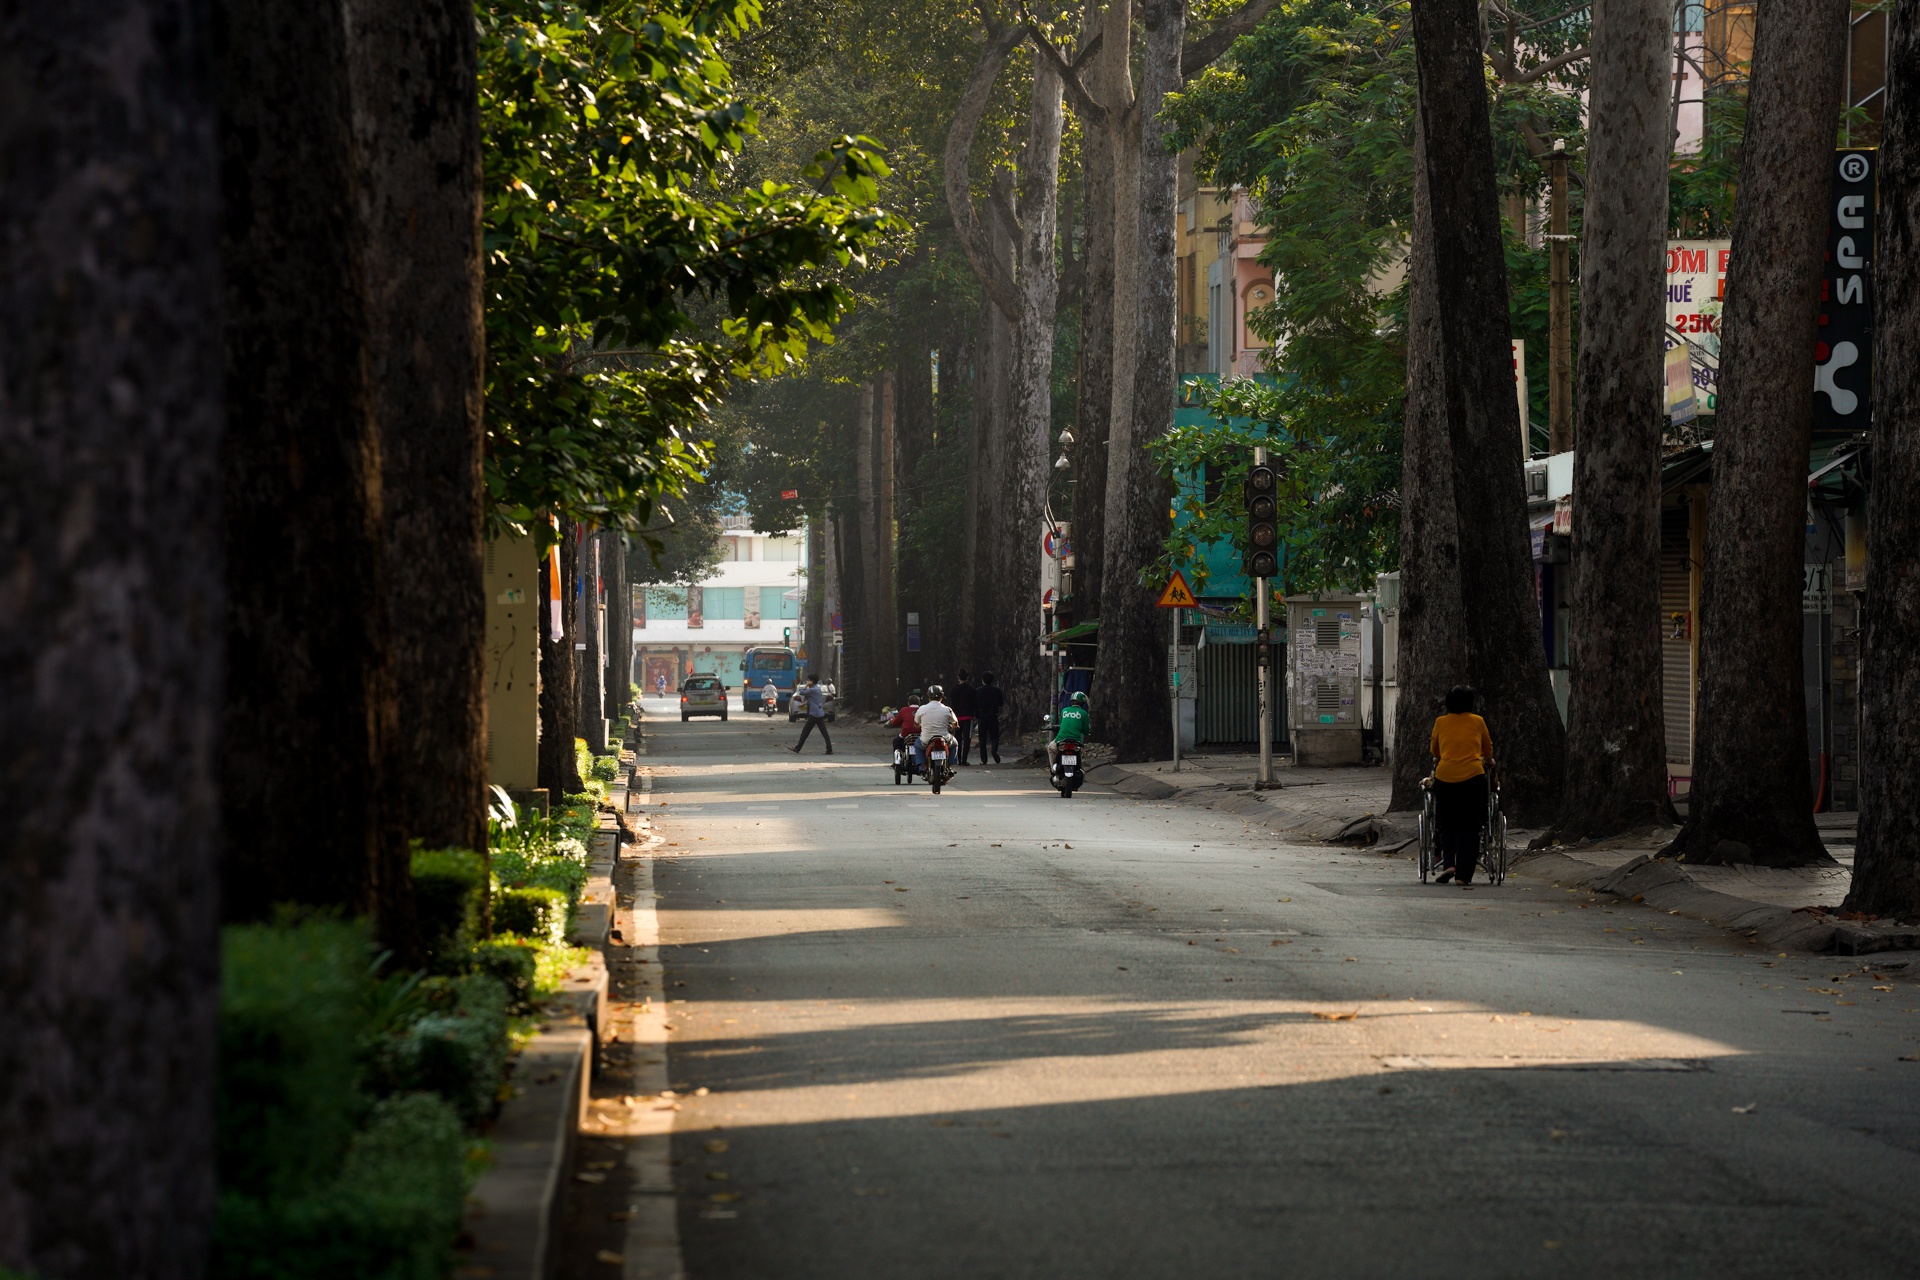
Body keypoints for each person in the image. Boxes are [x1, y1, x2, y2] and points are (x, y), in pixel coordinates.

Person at [1426, 684, 1494, 886]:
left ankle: (1449, 864)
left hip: (1445, 777)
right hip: (1473, 778)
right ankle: (1463, 876)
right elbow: (1487, 749)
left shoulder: (1440, 722)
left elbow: (1434, 750)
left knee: (1446, 824)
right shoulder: (1478, 721)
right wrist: (1487, 759)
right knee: (1470, 827)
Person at [788, 673, 834, 754]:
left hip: (814, 714)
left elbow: (801, 692)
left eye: (809, 680)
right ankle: (829, 749)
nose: (808, 681)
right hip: (819, 713)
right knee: (824, 733)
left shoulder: (813, 689)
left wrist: (806, 686)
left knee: (805, 732)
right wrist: (804, 703)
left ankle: (797, 748)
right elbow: (813, 700)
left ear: (812, 681)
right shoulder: (816, 689)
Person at [914, 685, 959, 763]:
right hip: (944, 739)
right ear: (942, 696)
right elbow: (955, 724)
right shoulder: (947, 709)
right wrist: (951, 727)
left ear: (928, 697)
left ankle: (922, 765)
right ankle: (951, 764)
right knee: (955, 744)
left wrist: (921, 726)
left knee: (917, 744)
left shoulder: (921, 708)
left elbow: (916, 724)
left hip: (926, 740)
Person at [1048, 690, 1090, 769]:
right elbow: (1086, 731)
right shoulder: (1084, 713)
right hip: (1076, 741)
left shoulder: (1064, 711)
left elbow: (1061, 725)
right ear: (1082, 703)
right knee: (1079, 753)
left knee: (1051, 748)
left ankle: (1053, 769)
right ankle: (1079, 768)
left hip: (1061, 740)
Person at [973, 671, 1004, 764]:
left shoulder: (978, 691)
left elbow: (975, 705)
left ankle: (984, 759)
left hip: (982, 717)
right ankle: (994, 749)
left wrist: (976, 715)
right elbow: (1000, 703)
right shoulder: (997, 690)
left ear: (983, 680)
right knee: (994, 736)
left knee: (982, 738)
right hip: (993, 716)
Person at [950, 669, 978, 765]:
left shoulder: (954, 689)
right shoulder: (972, 690)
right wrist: (975, 715)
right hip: (968, 716)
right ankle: (964, 759)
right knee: (967, 738)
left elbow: (953, 703)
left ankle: (958, 759)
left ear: (958, 678)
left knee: (957, 738)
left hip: (957, 717)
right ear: (967, 678)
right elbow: (975, 703)